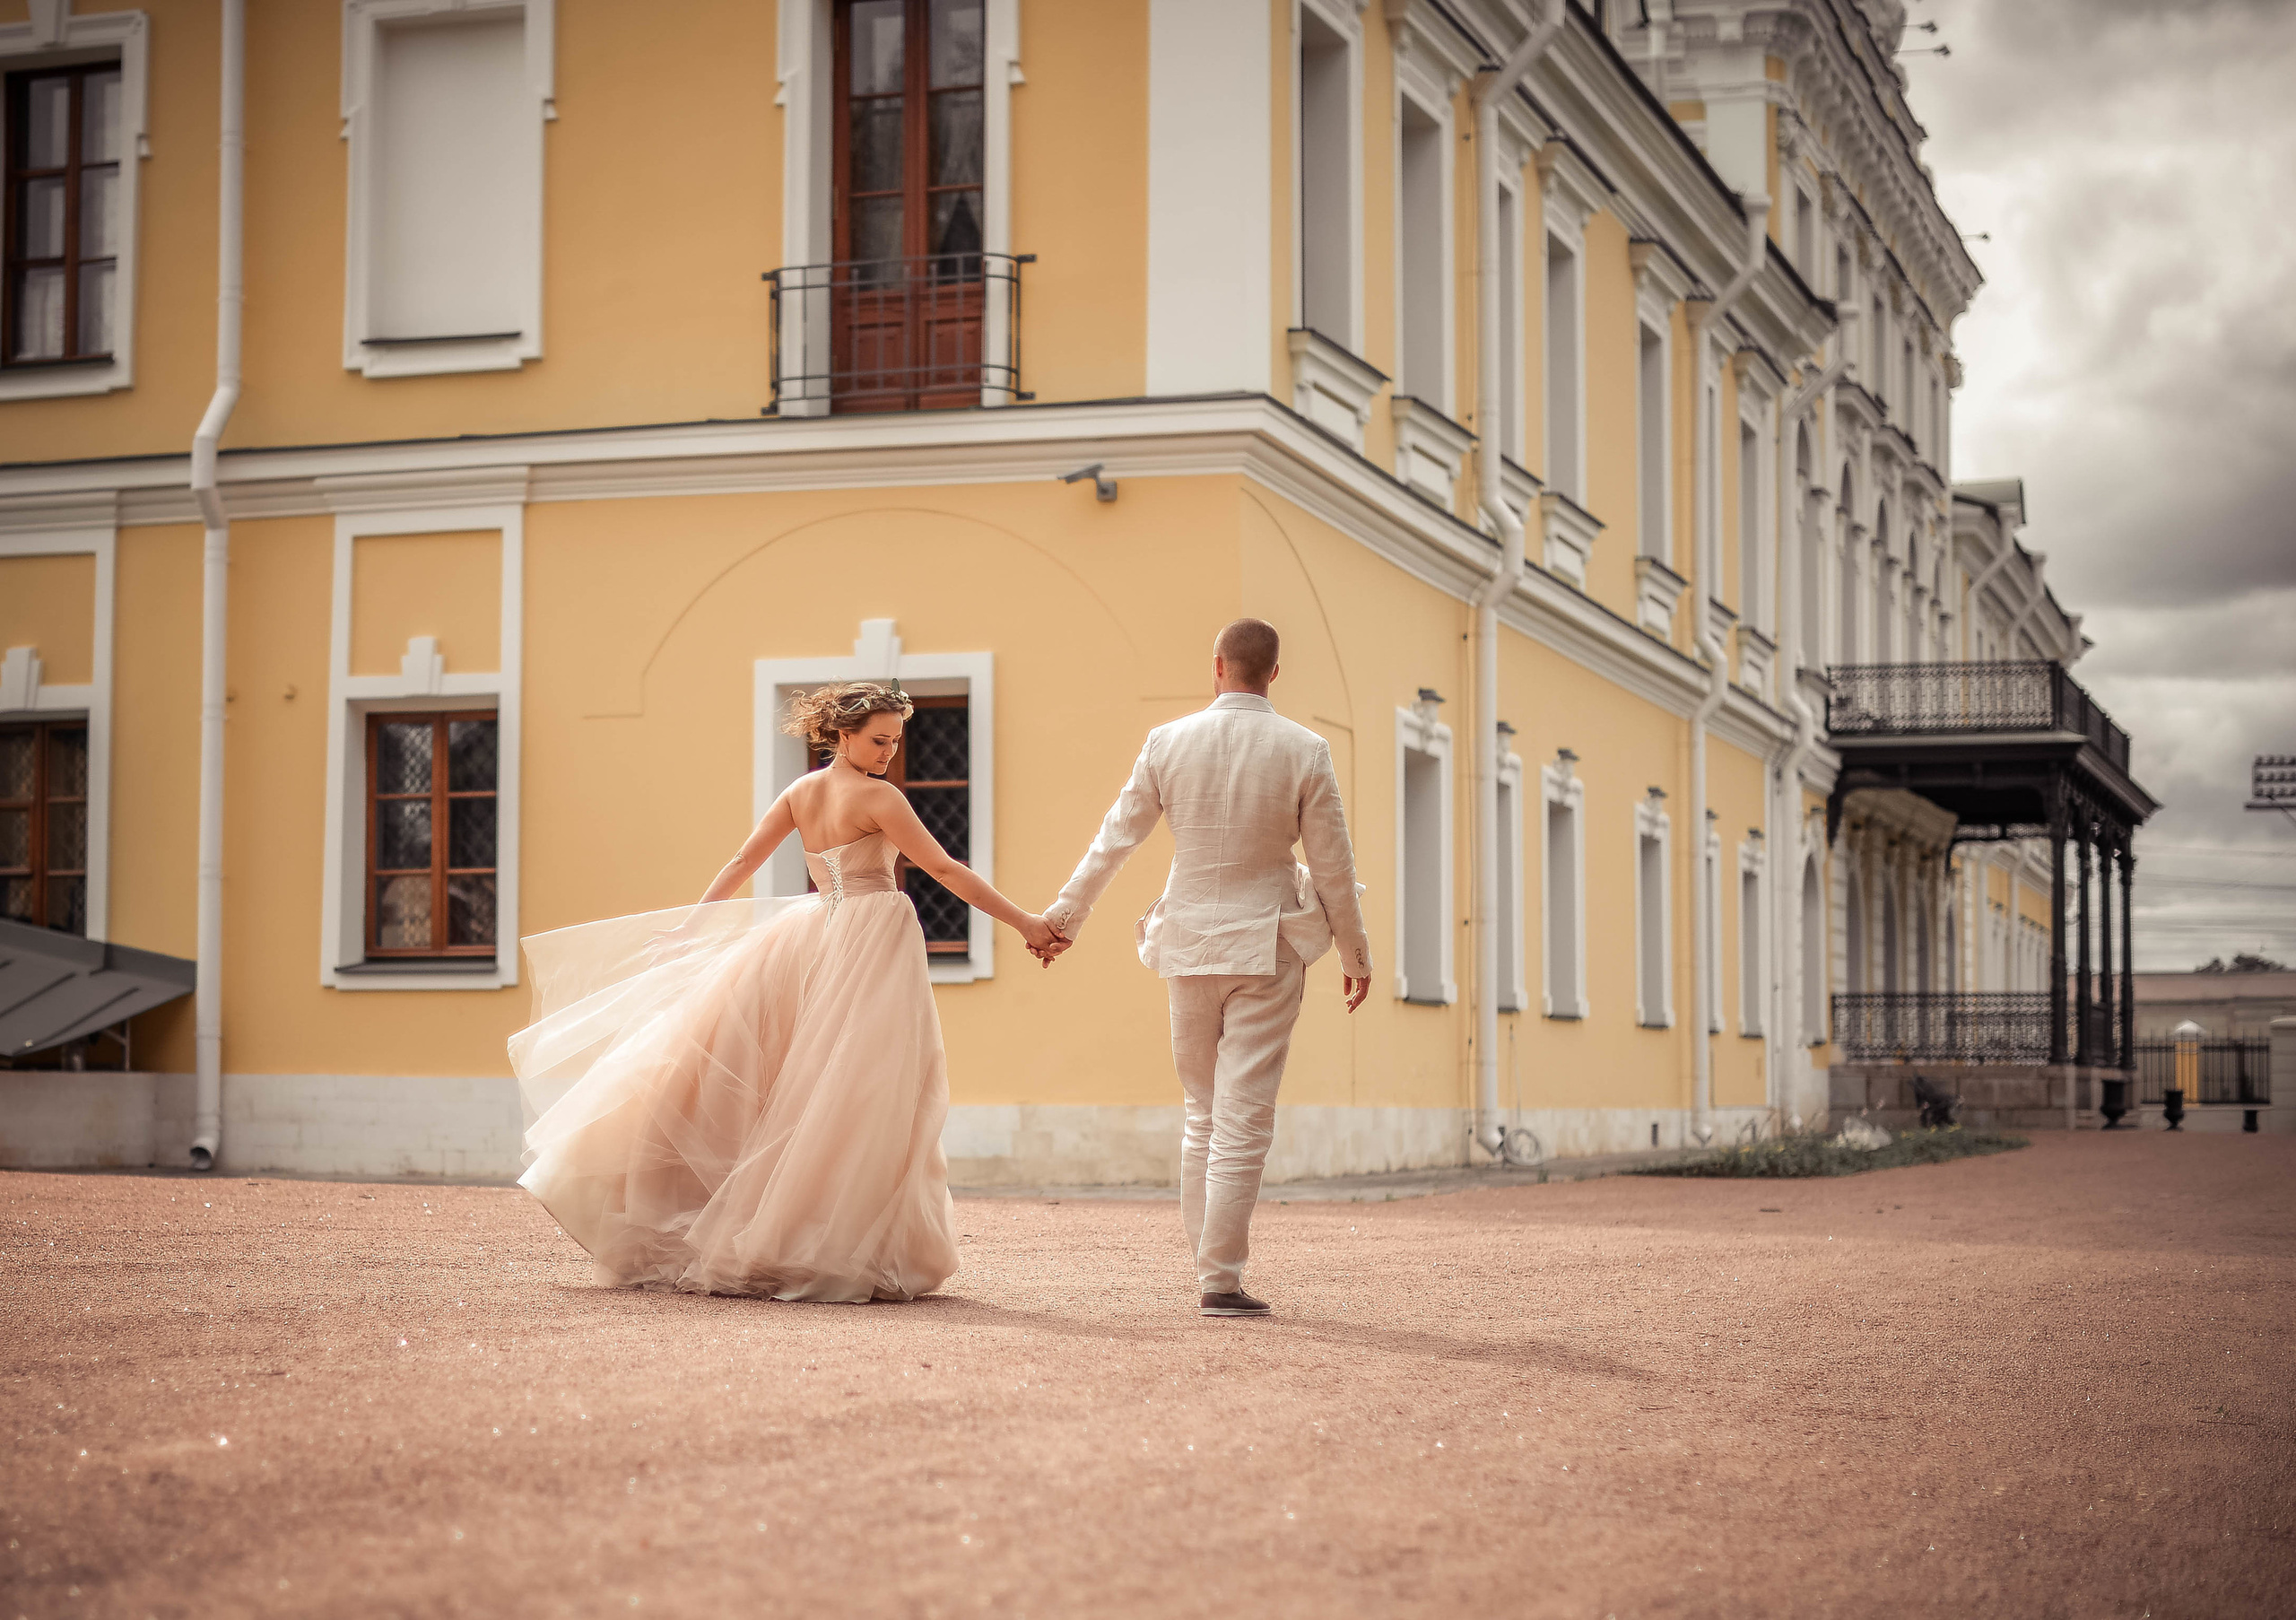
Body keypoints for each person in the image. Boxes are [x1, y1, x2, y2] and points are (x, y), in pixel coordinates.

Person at [508, 681, 1061, 1302]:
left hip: (818, 933)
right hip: (869, 935)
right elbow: (944, 869)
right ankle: (827, 1244)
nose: (888, 754)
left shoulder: (801, 793)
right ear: (842, 734)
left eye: (895, 742)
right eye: (879, 741)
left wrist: (694, 927)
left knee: (819, 1086)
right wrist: (1027, 924)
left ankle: (816, 1235)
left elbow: (742, 862)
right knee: (862, 1089)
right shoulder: (880, 798)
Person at [1035, 618, 1372, 1318]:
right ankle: (1218, 1279)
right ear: (1273, 674)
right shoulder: (1304, 748)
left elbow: (1113, 841)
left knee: (1202, 1111)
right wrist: (1354, 952)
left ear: (1216, 665)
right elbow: (1334, 863)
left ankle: (1210, 1269)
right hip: (1269, 946)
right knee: (1244, 1117)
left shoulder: (1168, 742)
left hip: (1187, 944)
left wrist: (1063, 920)